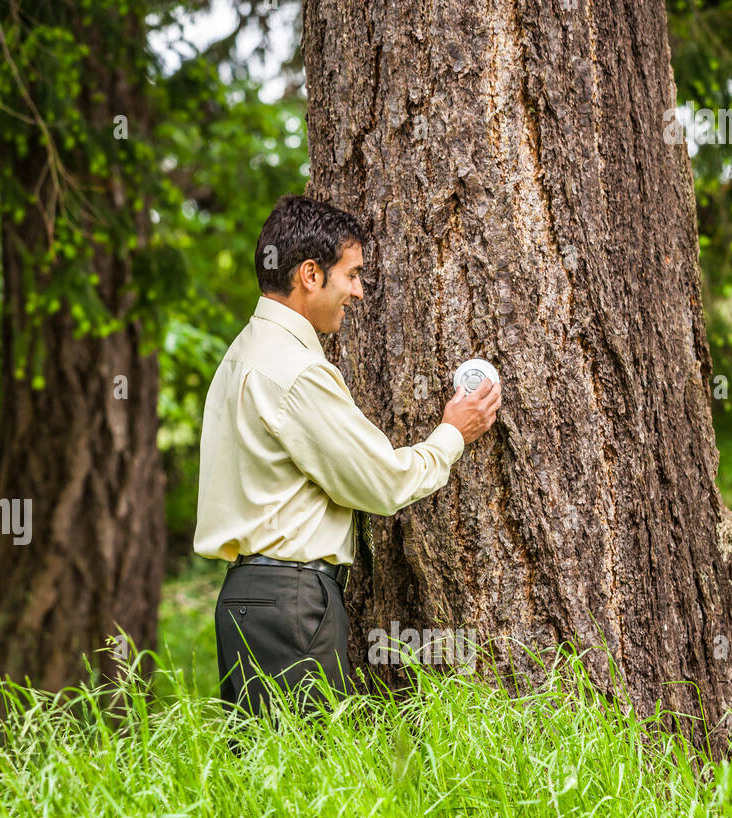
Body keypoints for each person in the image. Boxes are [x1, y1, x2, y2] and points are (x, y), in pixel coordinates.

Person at [194, 194, 502, 724]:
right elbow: (380, 483)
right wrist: (452, 433)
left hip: (246, 598)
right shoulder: (294, 369)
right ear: (311, 275)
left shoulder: (243, 352)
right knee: (302, 781)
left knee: (267, 784)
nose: (358, 291)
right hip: (291, 603)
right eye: (352, 274)